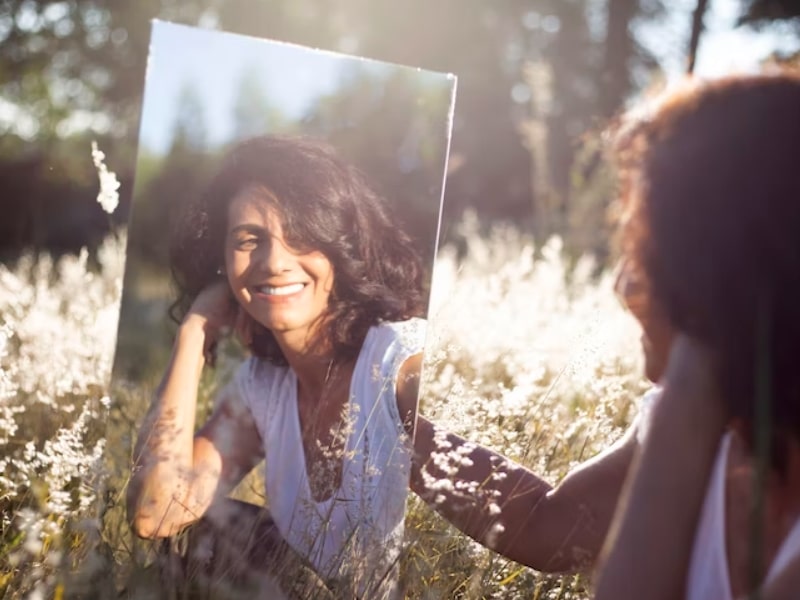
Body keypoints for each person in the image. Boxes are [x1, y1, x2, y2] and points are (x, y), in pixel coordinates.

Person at [126, 135, 429, 598]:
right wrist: (194, 332)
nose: (274, 262)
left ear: (341, 246)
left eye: (302, 235)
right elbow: (157, 512)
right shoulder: (262, 387)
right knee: (205, 534)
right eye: (250, 239)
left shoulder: (401, 360)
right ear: (222, 262)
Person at [591, 71, 800, 599]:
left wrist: (696, 372)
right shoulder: (720, 432)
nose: (625, 286)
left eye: (644, 248)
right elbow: (544, 523)